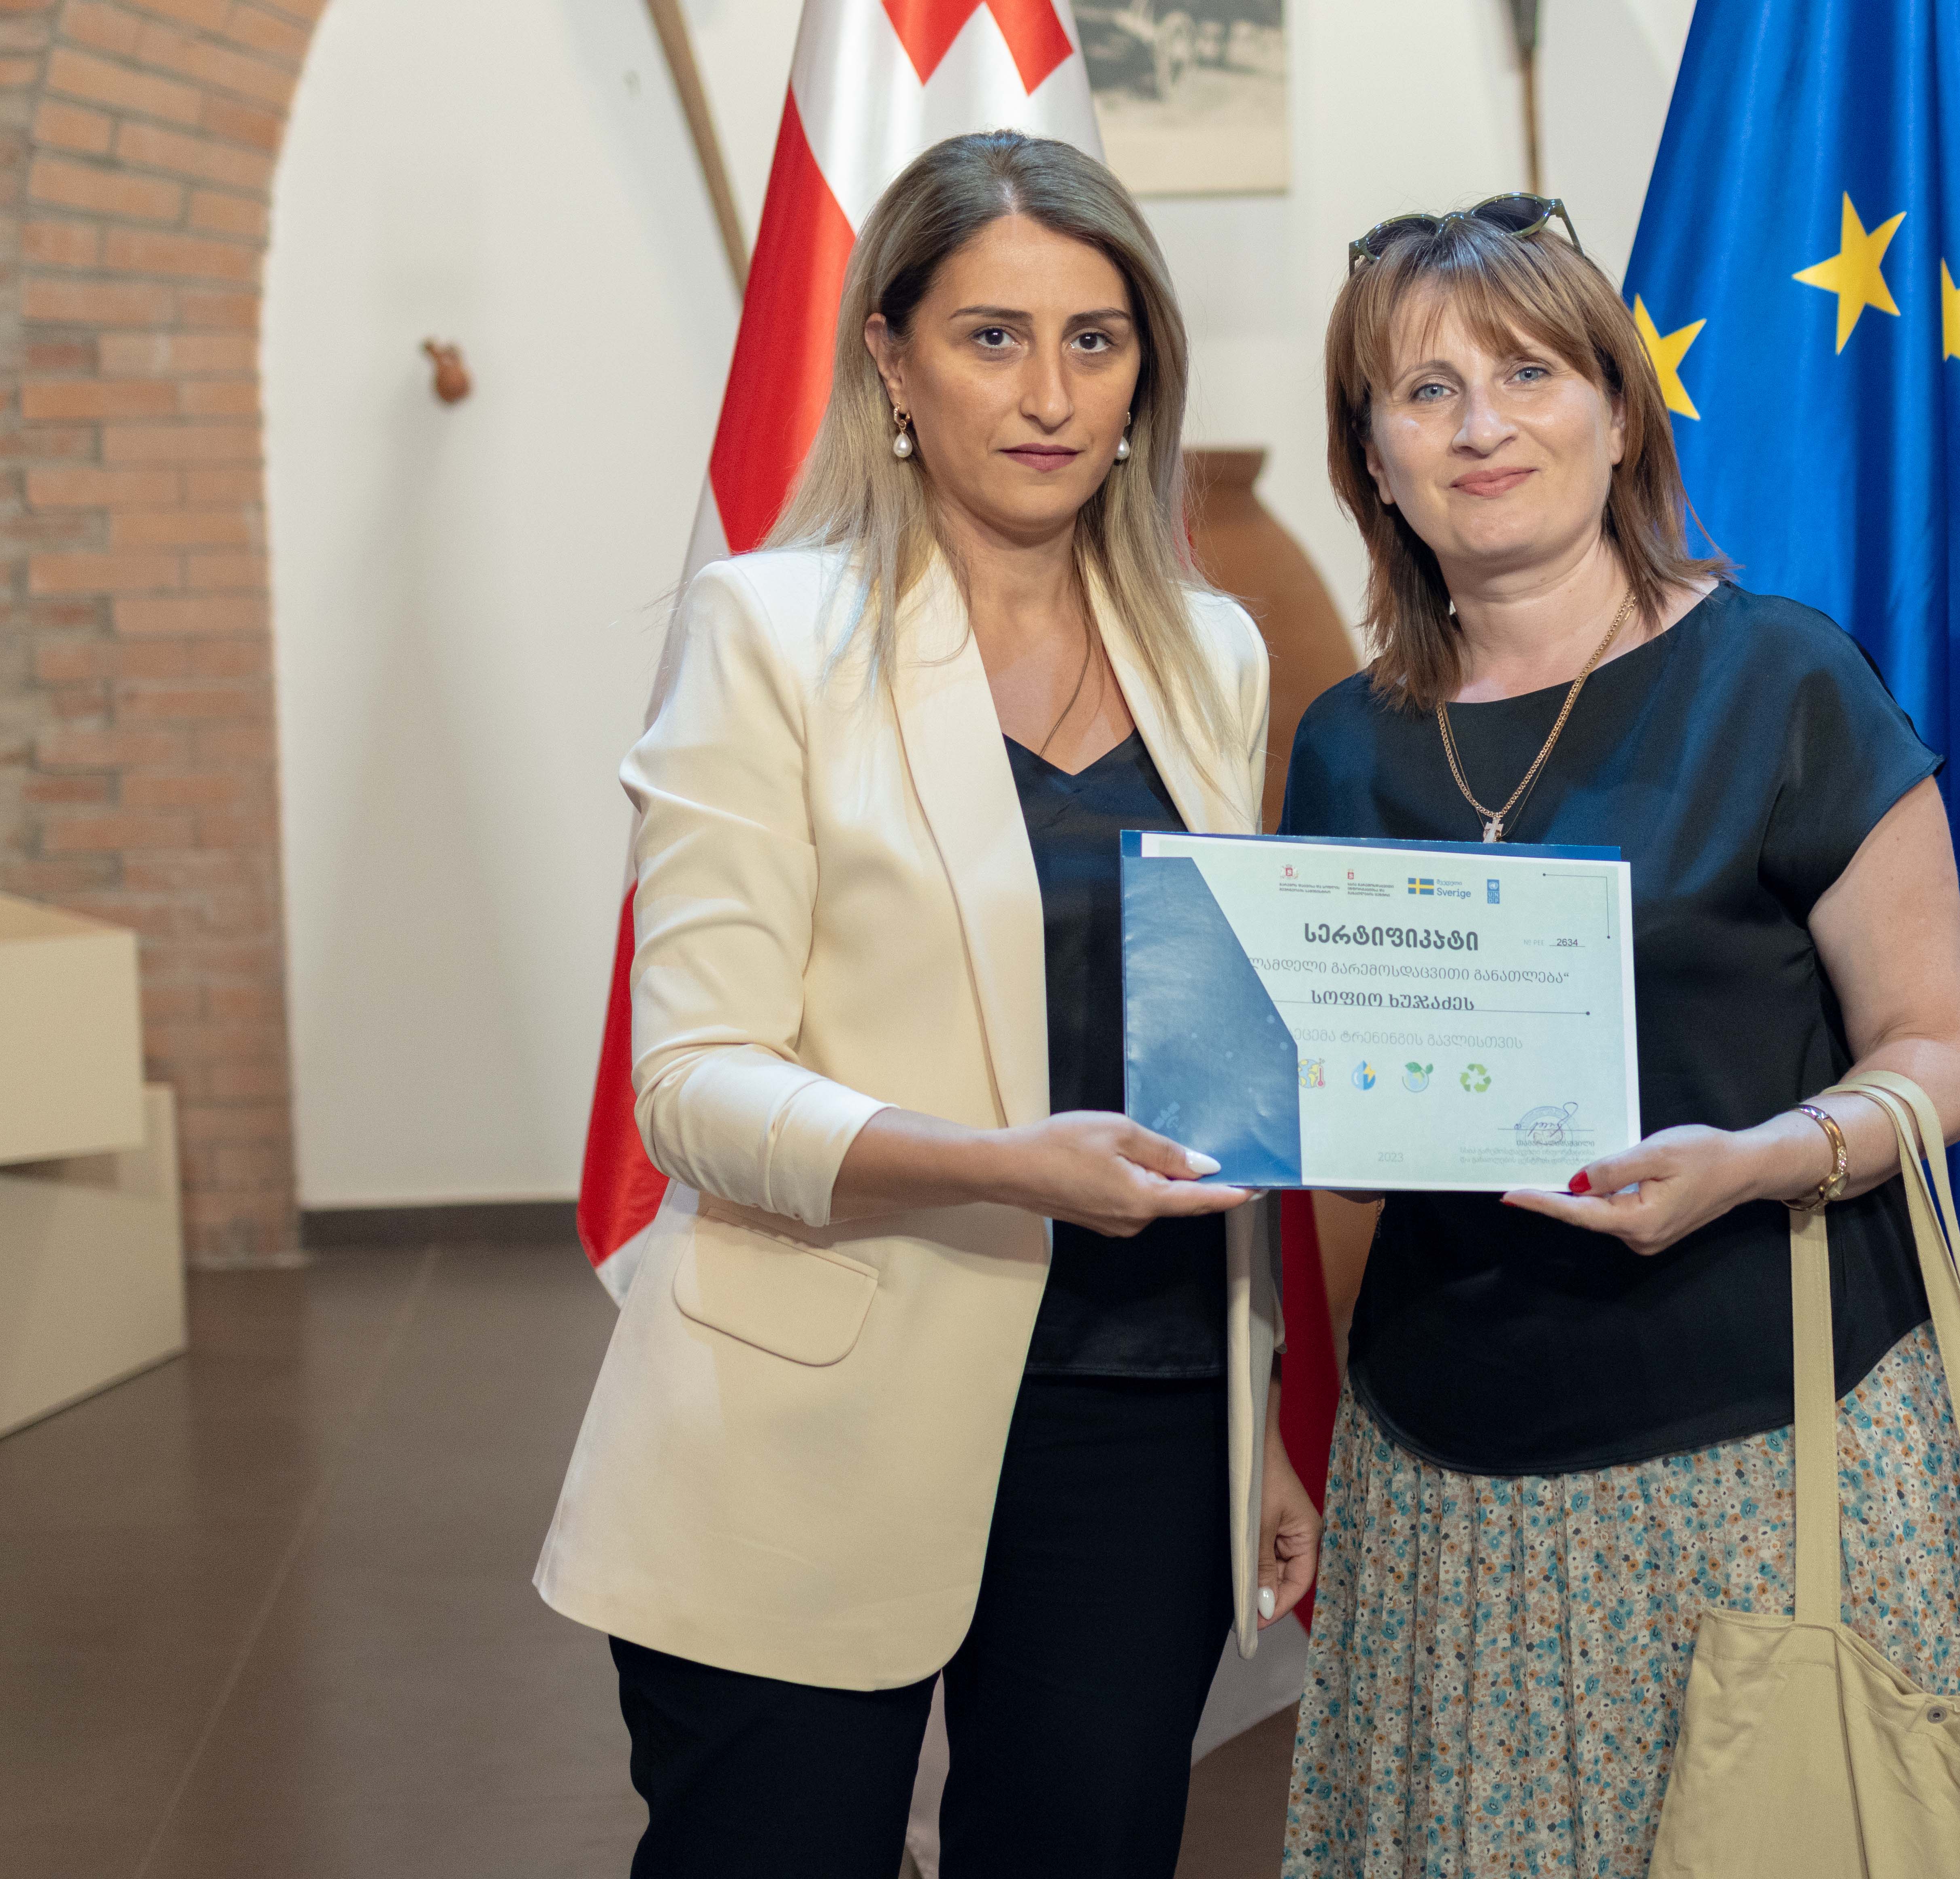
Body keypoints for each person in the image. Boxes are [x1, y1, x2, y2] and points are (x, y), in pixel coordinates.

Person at [535, 130, 1319, 1879]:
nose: (1049, 395)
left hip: (1143, 1404)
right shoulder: (769, 630)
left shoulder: (1213, 651)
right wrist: (1002, 1164)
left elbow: (1217, 1066)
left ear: (1145, 371)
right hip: (814, 1398)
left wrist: (1255, 1412)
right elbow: (692, 1085)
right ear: (891, 357)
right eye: (991, 337)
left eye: (1095, 340)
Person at [1276, 196, 1960, 1873]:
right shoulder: (1340, 749)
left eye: (1530, 373)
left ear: (1618, 414)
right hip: (1445, 1478)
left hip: (1767, 1454)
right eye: (1426, 391)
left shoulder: (1786, 684)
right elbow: (1339, 1148)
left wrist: (1755, 1162)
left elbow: (1939, 1051)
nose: (1482, 426)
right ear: (1372, 460)